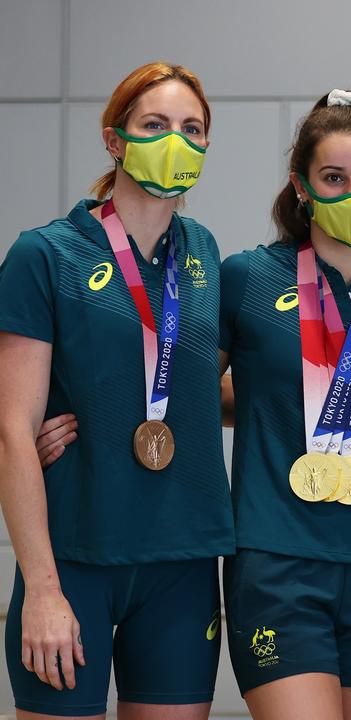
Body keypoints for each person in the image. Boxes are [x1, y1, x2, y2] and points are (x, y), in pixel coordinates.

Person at [0, 62, 233, 719]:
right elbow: (12, 429)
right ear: (114, 140)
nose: (176, 140)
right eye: (155, 125)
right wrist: (41, 589)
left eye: (192, 129)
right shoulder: (45, 255)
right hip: (75, 559)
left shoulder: (206, 254)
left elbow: (193, 387)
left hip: (183, 560)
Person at [217, 90, 351, 720]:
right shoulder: (248, 278)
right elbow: (177, 394)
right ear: (302, 187)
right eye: (333, 178)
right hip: (278, 560)